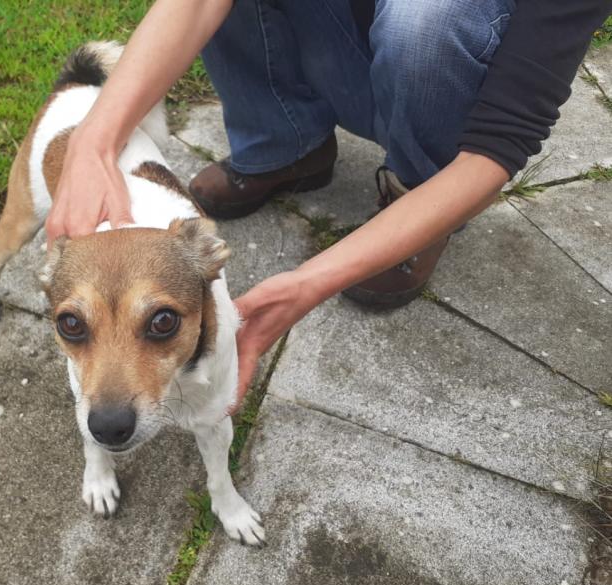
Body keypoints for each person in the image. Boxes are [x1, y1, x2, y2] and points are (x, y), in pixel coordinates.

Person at [44, 0, 612, 409]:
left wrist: (307, 282)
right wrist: (93, 140)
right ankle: (287, 144)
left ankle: (415, 195)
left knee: (427, 16)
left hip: (444, 75)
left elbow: (497, 146)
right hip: (348, 45)